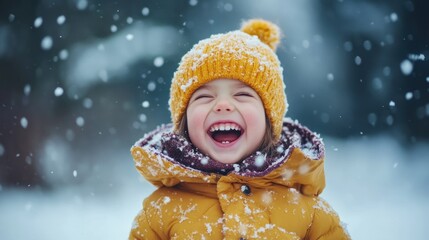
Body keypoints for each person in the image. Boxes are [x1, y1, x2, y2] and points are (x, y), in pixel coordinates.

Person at [129, 19, 350, 239]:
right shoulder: (159, 213)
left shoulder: (310, 215)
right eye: (204, 96)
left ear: (269, 120)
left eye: (242, 95)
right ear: (184, 123)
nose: (222, 104)